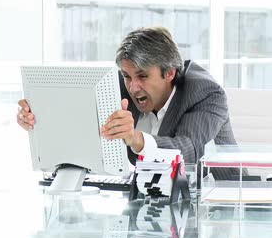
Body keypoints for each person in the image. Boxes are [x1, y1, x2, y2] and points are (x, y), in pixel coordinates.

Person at [17, 26, 236, 180]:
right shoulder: (121, 88)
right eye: (127, 76)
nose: (133, 87)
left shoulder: (205, 93)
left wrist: (135, 139)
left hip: (217, 201)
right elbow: (79, 118)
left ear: (169, 73)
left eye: (142, 76)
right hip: (149, 195)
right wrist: (39, 116)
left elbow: (188, 150)